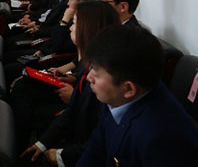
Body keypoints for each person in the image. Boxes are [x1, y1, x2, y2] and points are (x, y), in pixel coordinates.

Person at [77, 26, 198, 165]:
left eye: (96, 74)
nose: (89, 77)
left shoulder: (161, 139)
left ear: (128, 88)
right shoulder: (118, 98)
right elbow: (97, 147)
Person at [19, 0, 120, 166]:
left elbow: (98, 137)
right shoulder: (89, 65)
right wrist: (42, 144)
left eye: (74, 23)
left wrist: (61, 156)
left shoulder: (106, 78)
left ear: (89, 28)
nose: (70, 28)